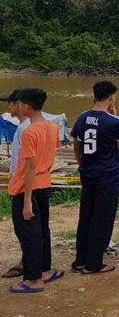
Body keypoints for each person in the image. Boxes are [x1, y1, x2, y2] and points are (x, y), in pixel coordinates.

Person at [71, 81, 119, 275]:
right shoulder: (114, 121)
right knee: (102, 219)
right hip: (107, 176)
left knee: (86, 216)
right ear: (111, 98)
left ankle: (80, 260)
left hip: (87, 173)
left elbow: (77, 144)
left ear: (94, 96)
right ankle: (93, 263)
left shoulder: (81, 118)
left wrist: (82, 164)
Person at [6, 88, 62, 293]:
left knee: (28, 234)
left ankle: (33, 279)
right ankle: (45, 270)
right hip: (44, 183)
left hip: (26, 188)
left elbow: (30, 166)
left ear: (27, 107)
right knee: (42, 230)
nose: (18, 107)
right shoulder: (52, 127)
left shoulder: (29, 132)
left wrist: (27, 200)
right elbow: (50, 155)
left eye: (20, 103)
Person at [2, 89, 27, 279]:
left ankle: (27, 263)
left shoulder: (25, 129)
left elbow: (27, 162)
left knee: (24, 226)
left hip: (23, 185)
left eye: (10, 103)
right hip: (23, 183)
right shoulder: (25, 126)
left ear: (19, 105)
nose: (7, 106)